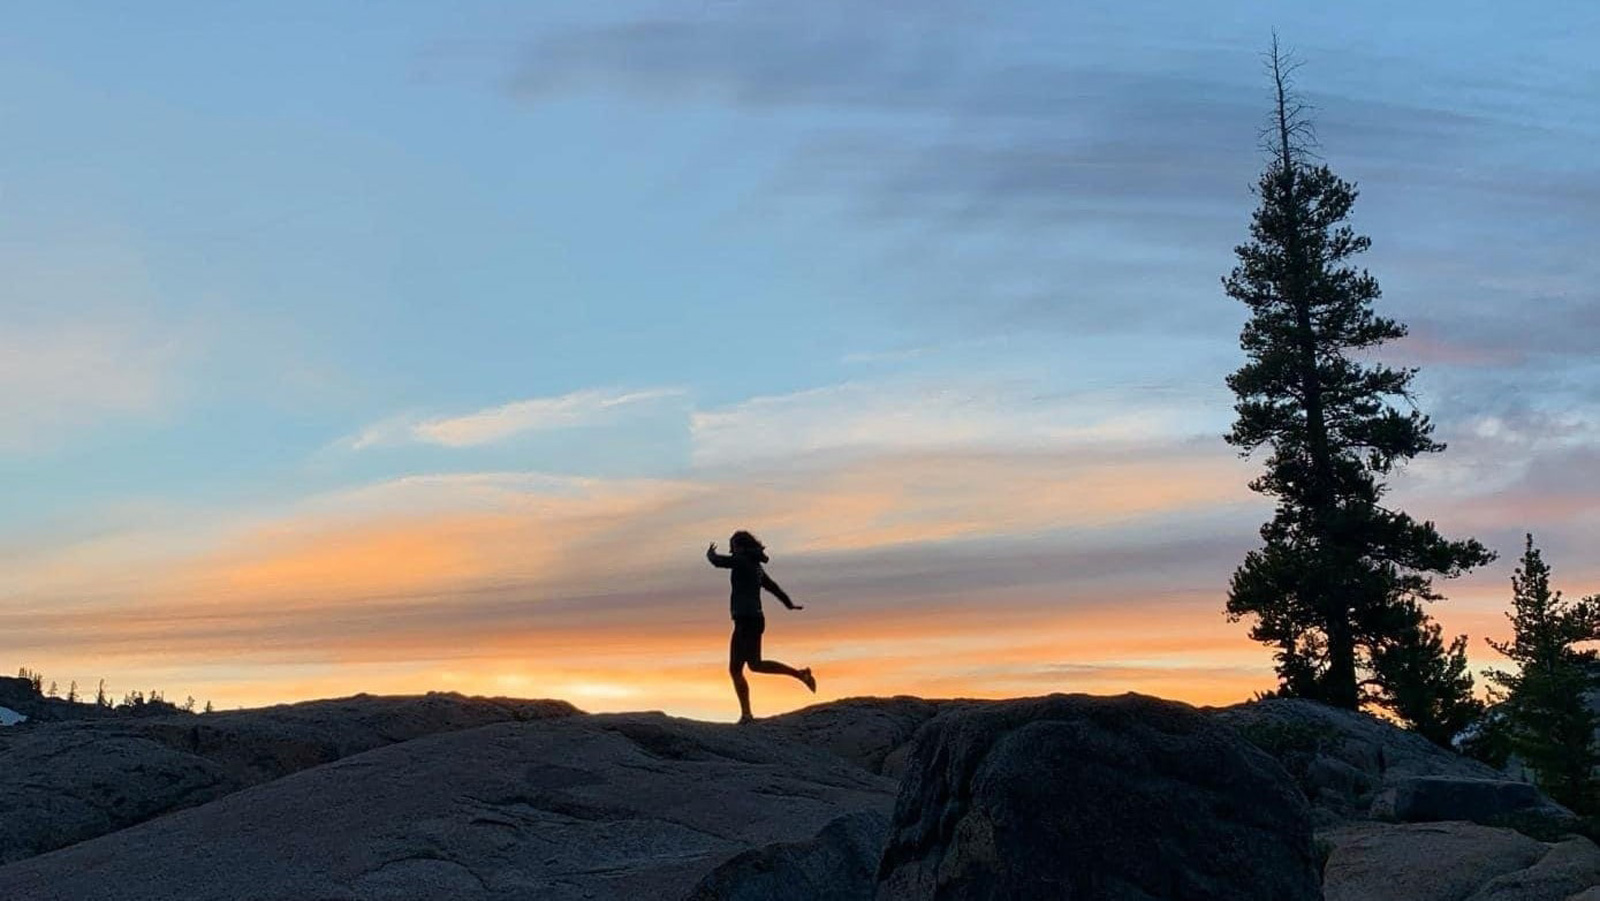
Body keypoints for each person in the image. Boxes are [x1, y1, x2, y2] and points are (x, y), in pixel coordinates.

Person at [706, 530, 815, 723]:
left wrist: (710, 554)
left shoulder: (740, 561)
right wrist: (788, 603)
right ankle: (800, 674)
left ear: (740, 546)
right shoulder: (756, 566)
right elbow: (773, 587)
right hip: (756, 619)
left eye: (732, 545)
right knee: (755, 664)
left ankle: (747, 715)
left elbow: (718, 562)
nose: (731, 549)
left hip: (745, 620)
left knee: (736, 669)